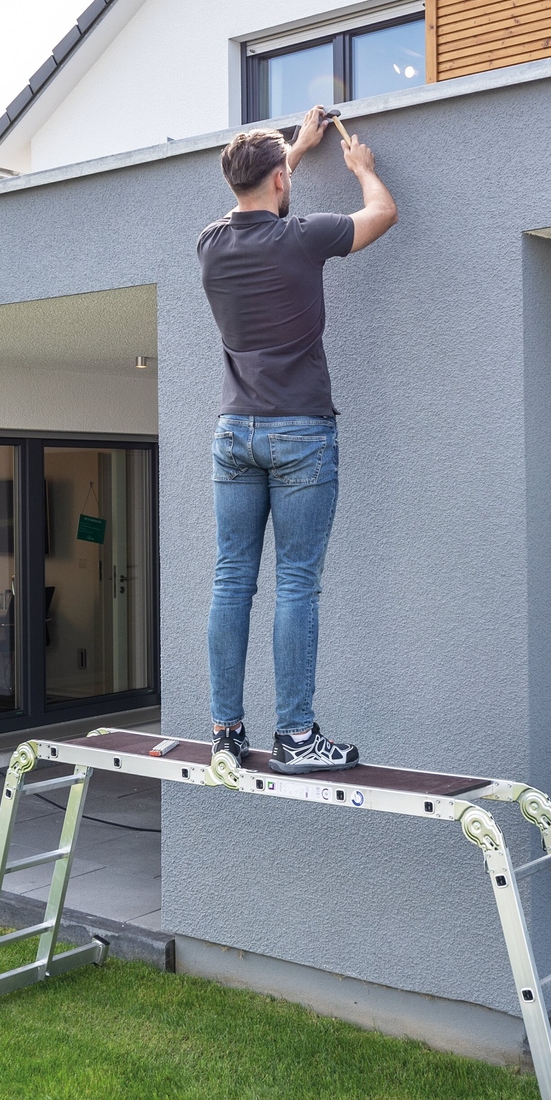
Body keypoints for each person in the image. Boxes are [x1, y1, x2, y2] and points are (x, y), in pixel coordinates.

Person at [197, 104, 398, 778]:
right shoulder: (305, 238)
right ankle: (296, 737)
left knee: (232, 580)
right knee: (297, 585)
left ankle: (225, 732)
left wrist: (295, 151)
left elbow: (254, 197)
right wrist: (361, 169)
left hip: (234, 432)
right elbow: (383, 214)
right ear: (280, 181)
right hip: (301, 432)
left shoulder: (210, 245)